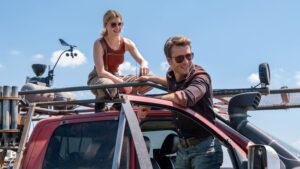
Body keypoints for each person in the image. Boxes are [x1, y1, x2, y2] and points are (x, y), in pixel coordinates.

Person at [138, 35, 223, 169]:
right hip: (182, 149)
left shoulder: (200, 77)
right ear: (169, 61)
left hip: (205, 149)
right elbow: (172, 83)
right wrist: (151, 78)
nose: (186, 62)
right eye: (179, 58)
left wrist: (151, 103)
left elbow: (185, 97)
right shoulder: (172, 75)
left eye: (189, 56)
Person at [87, 10, 151, 111]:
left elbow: (143, 60)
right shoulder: (99, 43)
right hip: (99, 77)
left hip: (117, 76)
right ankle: (101, 103)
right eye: (113, 24)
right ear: (106, 25)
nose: (117, 28)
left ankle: (119, 104)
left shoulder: (127, 42)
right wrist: (123, 84)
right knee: (108, 86)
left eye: (120, 24)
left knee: (150, 78)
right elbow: (101, 72)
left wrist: (143, 65)